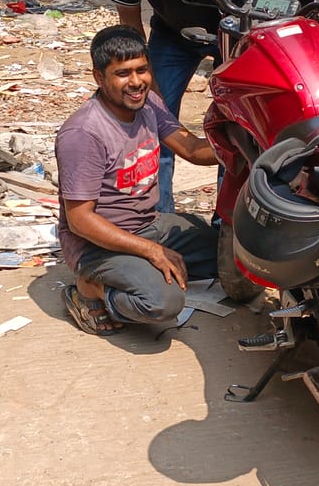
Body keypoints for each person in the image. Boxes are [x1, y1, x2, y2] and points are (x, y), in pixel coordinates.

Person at [56, 25, 219, 335]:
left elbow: (192, 149)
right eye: (122, 73)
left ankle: (144, 270)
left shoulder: (150, 104)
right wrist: (150, 251)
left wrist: (249, 146)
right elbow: (79, 221)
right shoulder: (83, 133)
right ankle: (89, 289)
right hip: (98, 246)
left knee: (234, 257)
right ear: (99, 77)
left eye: (142, 70)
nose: (136, 82)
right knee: (163, 303)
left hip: (149, 225)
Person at [107, 0, 255, 213]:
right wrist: (146, 84)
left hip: (227, 34)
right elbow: (129, 20)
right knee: (149, 121)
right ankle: (157, 220)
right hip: (171, 32)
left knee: (234, 131)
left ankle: (226, 222)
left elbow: (246, 23)